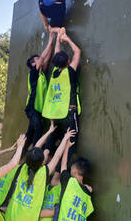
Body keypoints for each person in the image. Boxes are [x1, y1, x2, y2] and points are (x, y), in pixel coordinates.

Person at [4, 128, 76, 221]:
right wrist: (65, 138)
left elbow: (37, 146)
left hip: (11, 217)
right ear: (43, 162)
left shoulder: (22, 168)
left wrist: (49, 131)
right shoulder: (43, 173)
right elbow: (57, 155)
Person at [42, 29, 81, 170]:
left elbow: (57, 54)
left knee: (53, 137)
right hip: (69, 113)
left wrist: (59, 38)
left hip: (56, 115)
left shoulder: (54, 73)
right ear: (68, 61)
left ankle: (45, 157)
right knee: (71, 142)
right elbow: (78, 52)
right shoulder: (69, 72)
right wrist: (68, 39)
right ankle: (58, 172)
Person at [41, 140, 94, 221]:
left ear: (75, 171)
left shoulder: (70, 182)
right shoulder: (87, 194)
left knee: (57, 208)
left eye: (72, 168)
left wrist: (67, 147)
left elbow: (63, 166)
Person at [24, 31, 55, 151]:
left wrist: (53, 43)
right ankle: (36, 151)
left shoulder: (42, 73)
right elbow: (43, 57)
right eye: (36, 59)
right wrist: (50, 39)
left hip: (39, 109)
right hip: (32, 108)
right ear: (33, 64)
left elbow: (47, 58)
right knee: (39, 127)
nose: (40, 59)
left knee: (30, 132)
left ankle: (22, 151)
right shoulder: (33, 73)